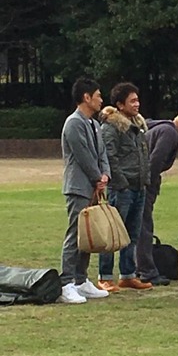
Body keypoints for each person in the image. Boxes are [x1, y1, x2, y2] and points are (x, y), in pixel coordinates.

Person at [135, 107, 178, 285]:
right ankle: (146, 270)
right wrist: (150, 183)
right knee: (144, 225)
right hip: (144, 184)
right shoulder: (169, 133)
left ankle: (138, 268)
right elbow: (155, 161)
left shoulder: (160, 127)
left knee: (139, 225)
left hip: (139, 181)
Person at [58, 77, 111, 304]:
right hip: (78, 187)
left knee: (88, 236)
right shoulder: (73, 123)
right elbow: (83, 156)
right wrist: (96, 176)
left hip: (92, 186)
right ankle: (66, 282)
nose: (101, 100)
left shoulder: (94, 124)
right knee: (75, 234)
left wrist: (105, 174)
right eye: (98, 95)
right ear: (86, 97)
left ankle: (81, 280)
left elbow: (101, 154)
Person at [98, 82, 151, 292]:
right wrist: (121, 183)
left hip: (139, 186)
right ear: (120, 105)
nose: (137, 104)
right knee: (112, 234)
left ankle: (127, 274)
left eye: (137, 100)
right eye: (132, 100)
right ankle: (105, 276)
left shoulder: (137, 126)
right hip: (122, 189)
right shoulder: (111, 127)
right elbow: (110, 156)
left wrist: (144, 180)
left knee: (132, 233)